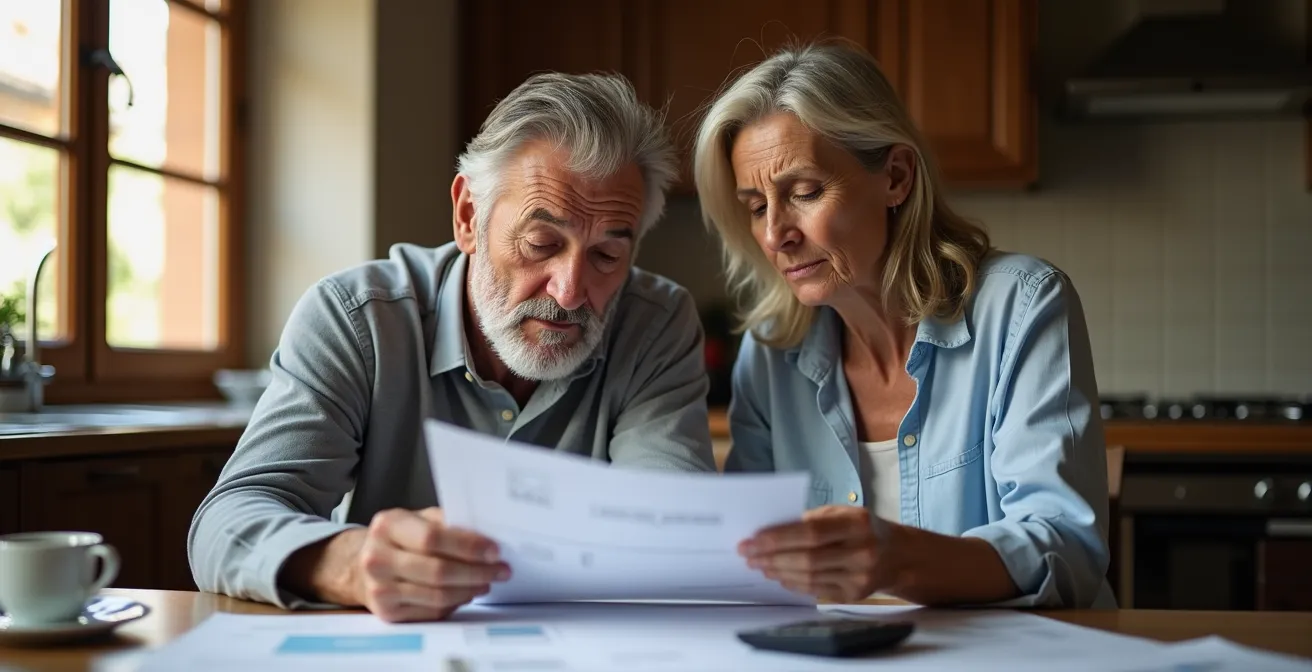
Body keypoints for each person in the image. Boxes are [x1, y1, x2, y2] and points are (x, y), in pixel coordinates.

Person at [190, 72, 717, 622]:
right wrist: (350, 563)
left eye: (607, 256)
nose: (569, 291)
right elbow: (226, 521)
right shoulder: (355, 318)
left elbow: (673, 527)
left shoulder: (656, 324)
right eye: (541, 244)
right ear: (468, 216)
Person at [693, 42, 1113, 609]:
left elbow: (1067, 548)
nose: (775, 234)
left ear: (895, 177)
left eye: (805, 192)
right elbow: (750, 563)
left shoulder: (1021, 306)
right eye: (756, 205)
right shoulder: (770, 353)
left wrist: (895, 558)